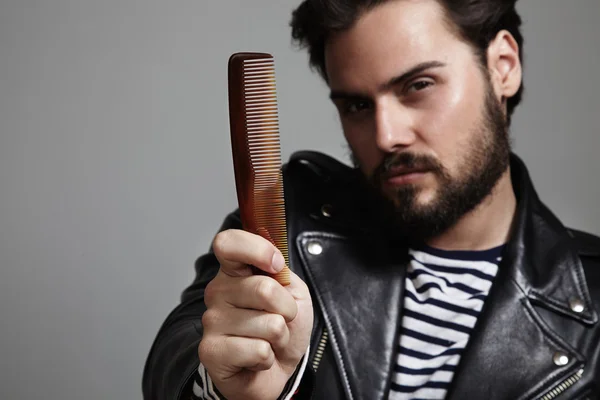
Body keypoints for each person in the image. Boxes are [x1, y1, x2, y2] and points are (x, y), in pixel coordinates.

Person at [142, 0, 600, 399]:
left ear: (503, 66)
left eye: (418, 85)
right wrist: (232, 388)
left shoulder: (592, 296)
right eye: (357, 106)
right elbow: (175, 357)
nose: (386, 136)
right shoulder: (295, 224)